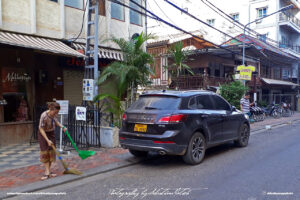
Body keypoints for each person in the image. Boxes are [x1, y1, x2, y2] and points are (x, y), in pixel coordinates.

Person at [38, 102, 67, 180]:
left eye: (57, 112)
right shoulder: (44, 116)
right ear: (51, 110)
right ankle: (47, 172)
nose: (56, 114)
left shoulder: (54, 115)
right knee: (45, 152)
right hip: (43, 134)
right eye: (55, 112)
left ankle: (49, 171)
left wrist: (62, 127)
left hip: (51, 133)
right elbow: (41, 129)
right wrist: (47, 140)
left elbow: (56, 121)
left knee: (51, 152)